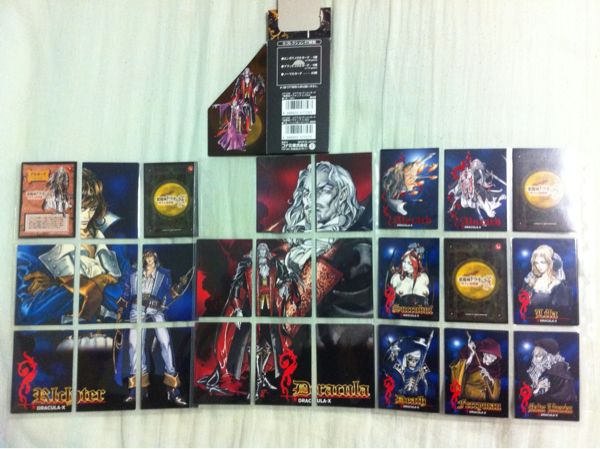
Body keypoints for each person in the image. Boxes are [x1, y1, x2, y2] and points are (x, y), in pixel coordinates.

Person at [17, 169, 129, 324]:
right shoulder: (36, 251)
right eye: (81, 208)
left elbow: (128, 303)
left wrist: (61, 285)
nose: (87, 215)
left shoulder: (115, 249)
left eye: (92, 208)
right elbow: (30, 313)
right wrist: (95, 283)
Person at [123, 250, 188, 406]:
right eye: (147, 256)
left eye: (151, 256)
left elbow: (169, 294)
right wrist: (119, 310)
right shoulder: (133, 273)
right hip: (136, 309)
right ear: (144, 258)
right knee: (134, 346)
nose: (149, 259)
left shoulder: (163, 274)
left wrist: (179, 287)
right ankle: (138, 389)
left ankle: (172, 388)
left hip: (156, 309)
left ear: (155, 258)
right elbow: (126, 293)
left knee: (165, 342)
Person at [450, 335, 502, 401]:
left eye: (494, 359)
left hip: (482, 400)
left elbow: (495, 394)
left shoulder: (494, 369)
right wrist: (471, 354)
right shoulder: (473, 360)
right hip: (466, 397)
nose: (492, 360)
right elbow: (460, 371)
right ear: (484, 353)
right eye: (491, 357)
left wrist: (489, 378)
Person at [527, 338, 577, 404]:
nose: (535, 360)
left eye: (539, 355)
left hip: (553, 407)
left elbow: (558, 397)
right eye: (534, 356)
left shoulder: (553, 371)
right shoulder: (553, 369)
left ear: (549, 356)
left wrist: (535, 392)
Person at [521, 244, 569, 309]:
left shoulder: (558, 285)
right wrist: (529, 286)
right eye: (536, 263)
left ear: (550, 262)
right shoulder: (531, 281)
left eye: (542, 262)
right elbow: (522, 302)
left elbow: (562, 309)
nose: (539, 266)